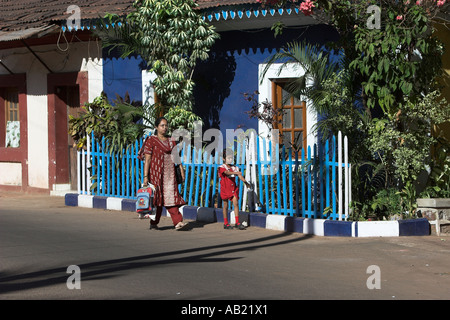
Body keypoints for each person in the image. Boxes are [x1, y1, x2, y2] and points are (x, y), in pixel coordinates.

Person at [141, 117, 188, 230]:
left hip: (169, 174)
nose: (165, 128)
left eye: (166, 125)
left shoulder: (171, 140)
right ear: (156, 127)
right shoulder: (151, 140)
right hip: (156, 174)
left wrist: (181, 169)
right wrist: (146, 177)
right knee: (158, 200)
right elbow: (147, 160)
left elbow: (176, 156)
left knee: (170, 196)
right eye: (162, 125)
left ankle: (177, 222)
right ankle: (153, 223)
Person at [219, 148, 250, 230]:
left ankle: (237, 222)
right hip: (225, 188)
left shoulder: (235, 167)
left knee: (235, 204)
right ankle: (226, 223)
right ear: (224, 159)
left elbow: (240, 176)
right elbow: (227, 173)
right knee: (225, 205)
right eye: (228, 158)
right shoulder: (222, 167)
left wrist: (245, 182)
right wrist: (236, 173)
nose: (230, 160)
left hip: (233, 188)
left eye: (231, 158)